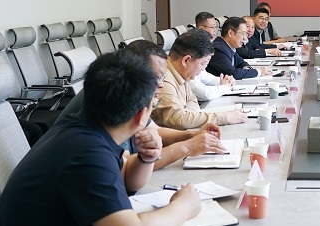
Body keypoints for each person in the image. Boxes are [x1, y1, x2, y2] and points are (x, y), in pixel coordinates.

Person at [0, 51, 203, 226]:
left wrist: (147, 158)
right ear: (141, 116)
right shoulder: (86, 153)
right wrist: (183, 206)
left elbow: (126, 179)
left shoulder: (81, 128)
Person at [54, 40, 226, 169]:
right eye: (155, 77)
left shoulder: (131, 92)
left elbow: (155, 130)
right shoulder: (114, 96)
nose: (161, 84)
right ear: (132, 71)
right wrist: (187, 147)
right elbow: (125, 166)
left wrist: (191, 135)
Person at [153, 29, 247, 130]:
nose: (203, 69)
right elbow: (178, 119)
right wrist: (224, 117)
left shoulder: (181, 75)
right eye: (202, 63)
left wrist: (188, 115)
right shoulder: (163, 79)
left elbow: (193, 101)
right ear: (186, 60)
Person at [190, 12, 234, 102]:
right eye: (212, 27)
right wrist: (225, 87)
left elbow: (205, 77)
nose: (215, 31)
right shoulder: (193, 52)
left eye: (216, 27)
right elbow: (205, 94)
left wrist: (225, 80)